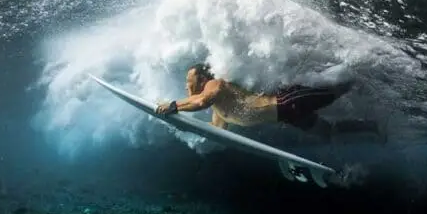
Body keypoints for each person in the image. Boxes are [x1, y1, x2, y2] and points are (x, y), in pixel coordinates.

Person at [155, 63, 383, 141]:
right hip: (286, 115)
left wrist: (173, 106)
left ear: (203, 79)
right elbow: (217, 133)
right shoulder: (218, 109)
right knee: (329, 132)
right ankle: (371, 127)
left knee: (337, 91)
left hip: (287, 101)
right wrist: (177, 124)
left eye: (189, 80)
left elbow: (201, 101)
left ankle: (365, 73)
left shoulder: (213, 85)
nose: (187, 86)